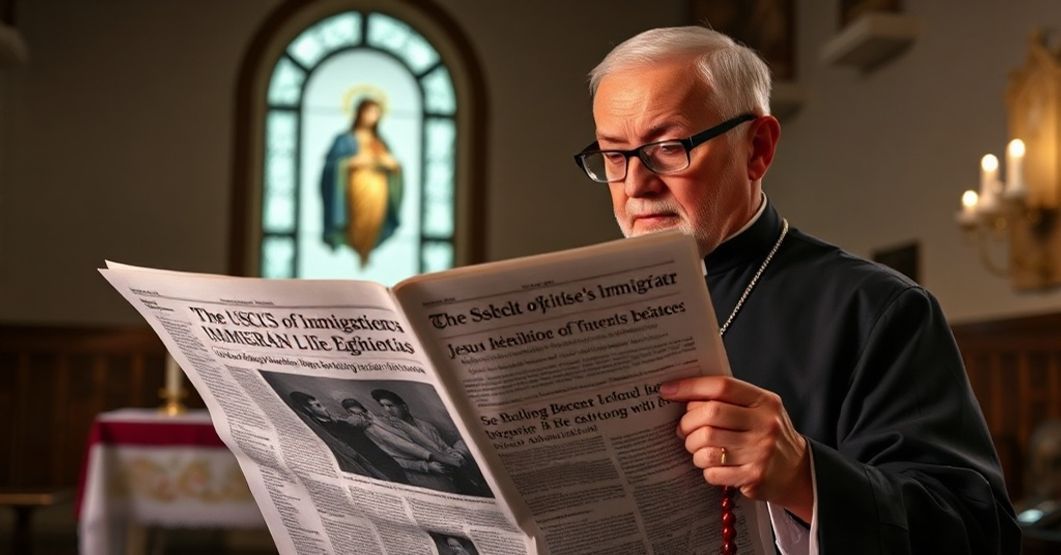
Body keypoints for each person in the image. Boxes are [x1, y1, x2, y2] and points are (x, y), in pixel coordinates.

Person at [574, 26, 1020, 553]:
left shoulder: (877, 308)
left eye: (668, 148)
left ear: (757, 149)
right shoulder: (588, 304)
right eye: (614, 154)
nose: (636, 185)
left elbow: (977, 531)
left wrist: (806, 479)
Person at [320, 97, 404, 266]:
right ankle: (357, 246)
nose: (373, 116)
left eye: (376, 113)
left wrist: (393, 167)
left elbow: (391, 163)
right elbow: (330, 167)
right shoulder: (345, 139)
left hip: (378, 190)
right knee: (357, 219)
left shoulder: (380, 142)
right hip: (356, 188)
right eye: (370, 112)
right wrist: (350, 163)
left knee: (373, 222)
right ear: (360, 113)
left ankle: (367, 249)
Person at [369, 389, 490, 496]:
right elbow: (397, 460)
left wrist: (455, 456)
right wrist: (427, 467)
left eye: (390, 405)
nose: (387, 410)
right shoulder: (389, 431)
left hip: (452, 471)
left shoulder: (426, 426)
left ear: (404, 407)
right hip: (428, 479)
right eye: (383, 406)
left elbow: (442, 447)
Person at [288, 390, 407, 484]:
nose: (324, 408)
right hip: (372, 466)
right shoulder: (326, 430)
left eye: (321, 404)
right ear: (308, 409)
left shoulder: (340, 422)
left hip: (384, 459)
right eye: (318, 406)